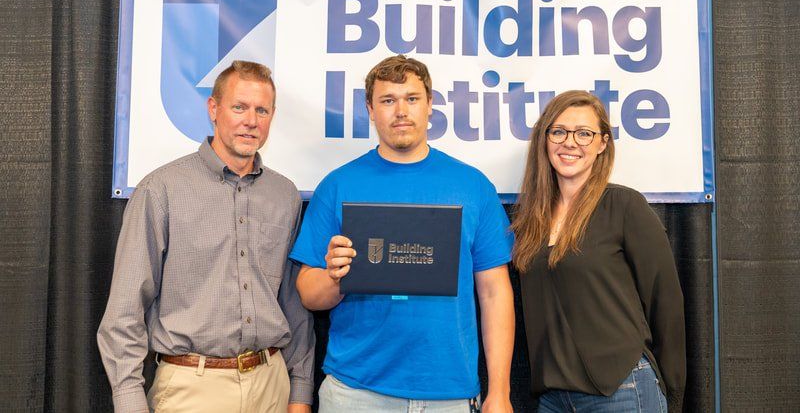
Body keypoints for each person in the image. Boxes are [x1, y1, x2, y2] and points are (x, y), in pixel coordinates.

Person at [289, 55, 515, 412]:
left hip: (450, 394)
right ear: (370, 109)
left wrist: (499, 392)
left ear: (430, 105)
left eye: (411, 98)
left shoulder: (473, 187)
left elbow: (494, 293)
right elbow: (308, 295)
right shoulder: (337, 185)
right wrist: (335, 277)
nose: (400, 111)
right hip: (355, 392)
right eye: (387, 100)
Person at [98, 60, 314, 413]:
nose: (251, 120)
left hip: (272, 386)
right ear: (214, 109)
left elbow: (293, 304)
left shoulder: (285, 194)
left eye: (262, 110)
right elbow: (124, 312)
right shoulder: (162, 189)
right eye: (239, 107)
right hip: (192, 389)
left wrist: (301, 392)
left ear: (272, 116)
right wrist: (130, 403)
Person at [512, 90, 686, 412]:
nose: (570, 142)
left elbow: (666, 303)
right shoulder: (530, 220)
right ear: (545, 138)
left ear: (602, 143)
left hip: (621, 389)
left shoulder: (624, 206)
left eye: (584, 134)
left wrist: (673, 396)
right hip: (553, 399)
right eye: (559, 131)